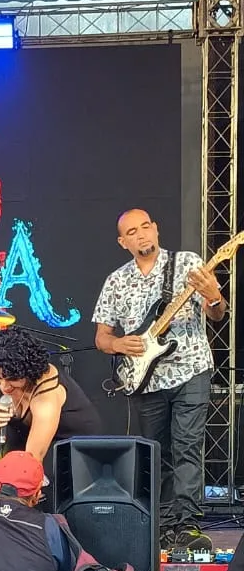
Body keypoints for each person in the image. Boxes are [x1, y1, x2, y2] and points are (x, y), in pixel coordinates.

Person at [92, 209, 226, 547]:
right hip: (146, 379)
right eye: (132, 232)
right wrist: (119, 344)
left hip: (190, 370)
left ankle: (188, 524)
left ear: (155, 229)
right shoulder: (116, 281)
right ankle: (164, 526)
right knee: (158, 453)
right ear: (123, 242)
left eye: (145, 226)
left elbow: (216, 314)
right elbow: (101, 337)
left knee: (187, 448)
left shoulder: (187, 263)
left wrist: (213, 295)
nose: (141, 234)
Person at [0, 326, 101, 503]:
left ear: (28, 373)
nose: (4, 386)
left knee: (35, 488)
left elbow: (32, 461)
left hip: (70, 443)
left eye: (12, 379)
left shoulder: (46, 396)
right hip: (24, 435)